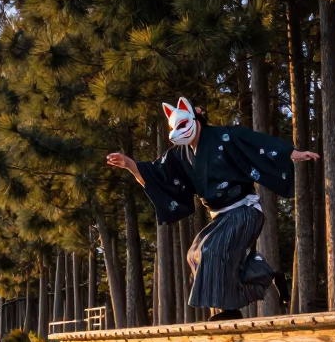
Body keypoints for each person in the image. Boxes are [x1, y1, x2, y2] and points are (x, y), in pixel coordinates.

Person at [106, 97, 319, 321]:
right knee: (194, 255)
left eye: (181, 125)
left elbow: (258, 144)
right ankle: (266, 276)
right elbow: (156, 176)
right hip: (221, 216)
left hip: (244, 210)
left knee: (212, 251)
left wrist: (292, 153)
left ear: (195, 119)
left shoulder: (224, 137)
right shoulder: (179, 156)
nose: (176, 132)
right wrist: (129, 164)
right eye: (173, 128)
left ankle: (230, 310)